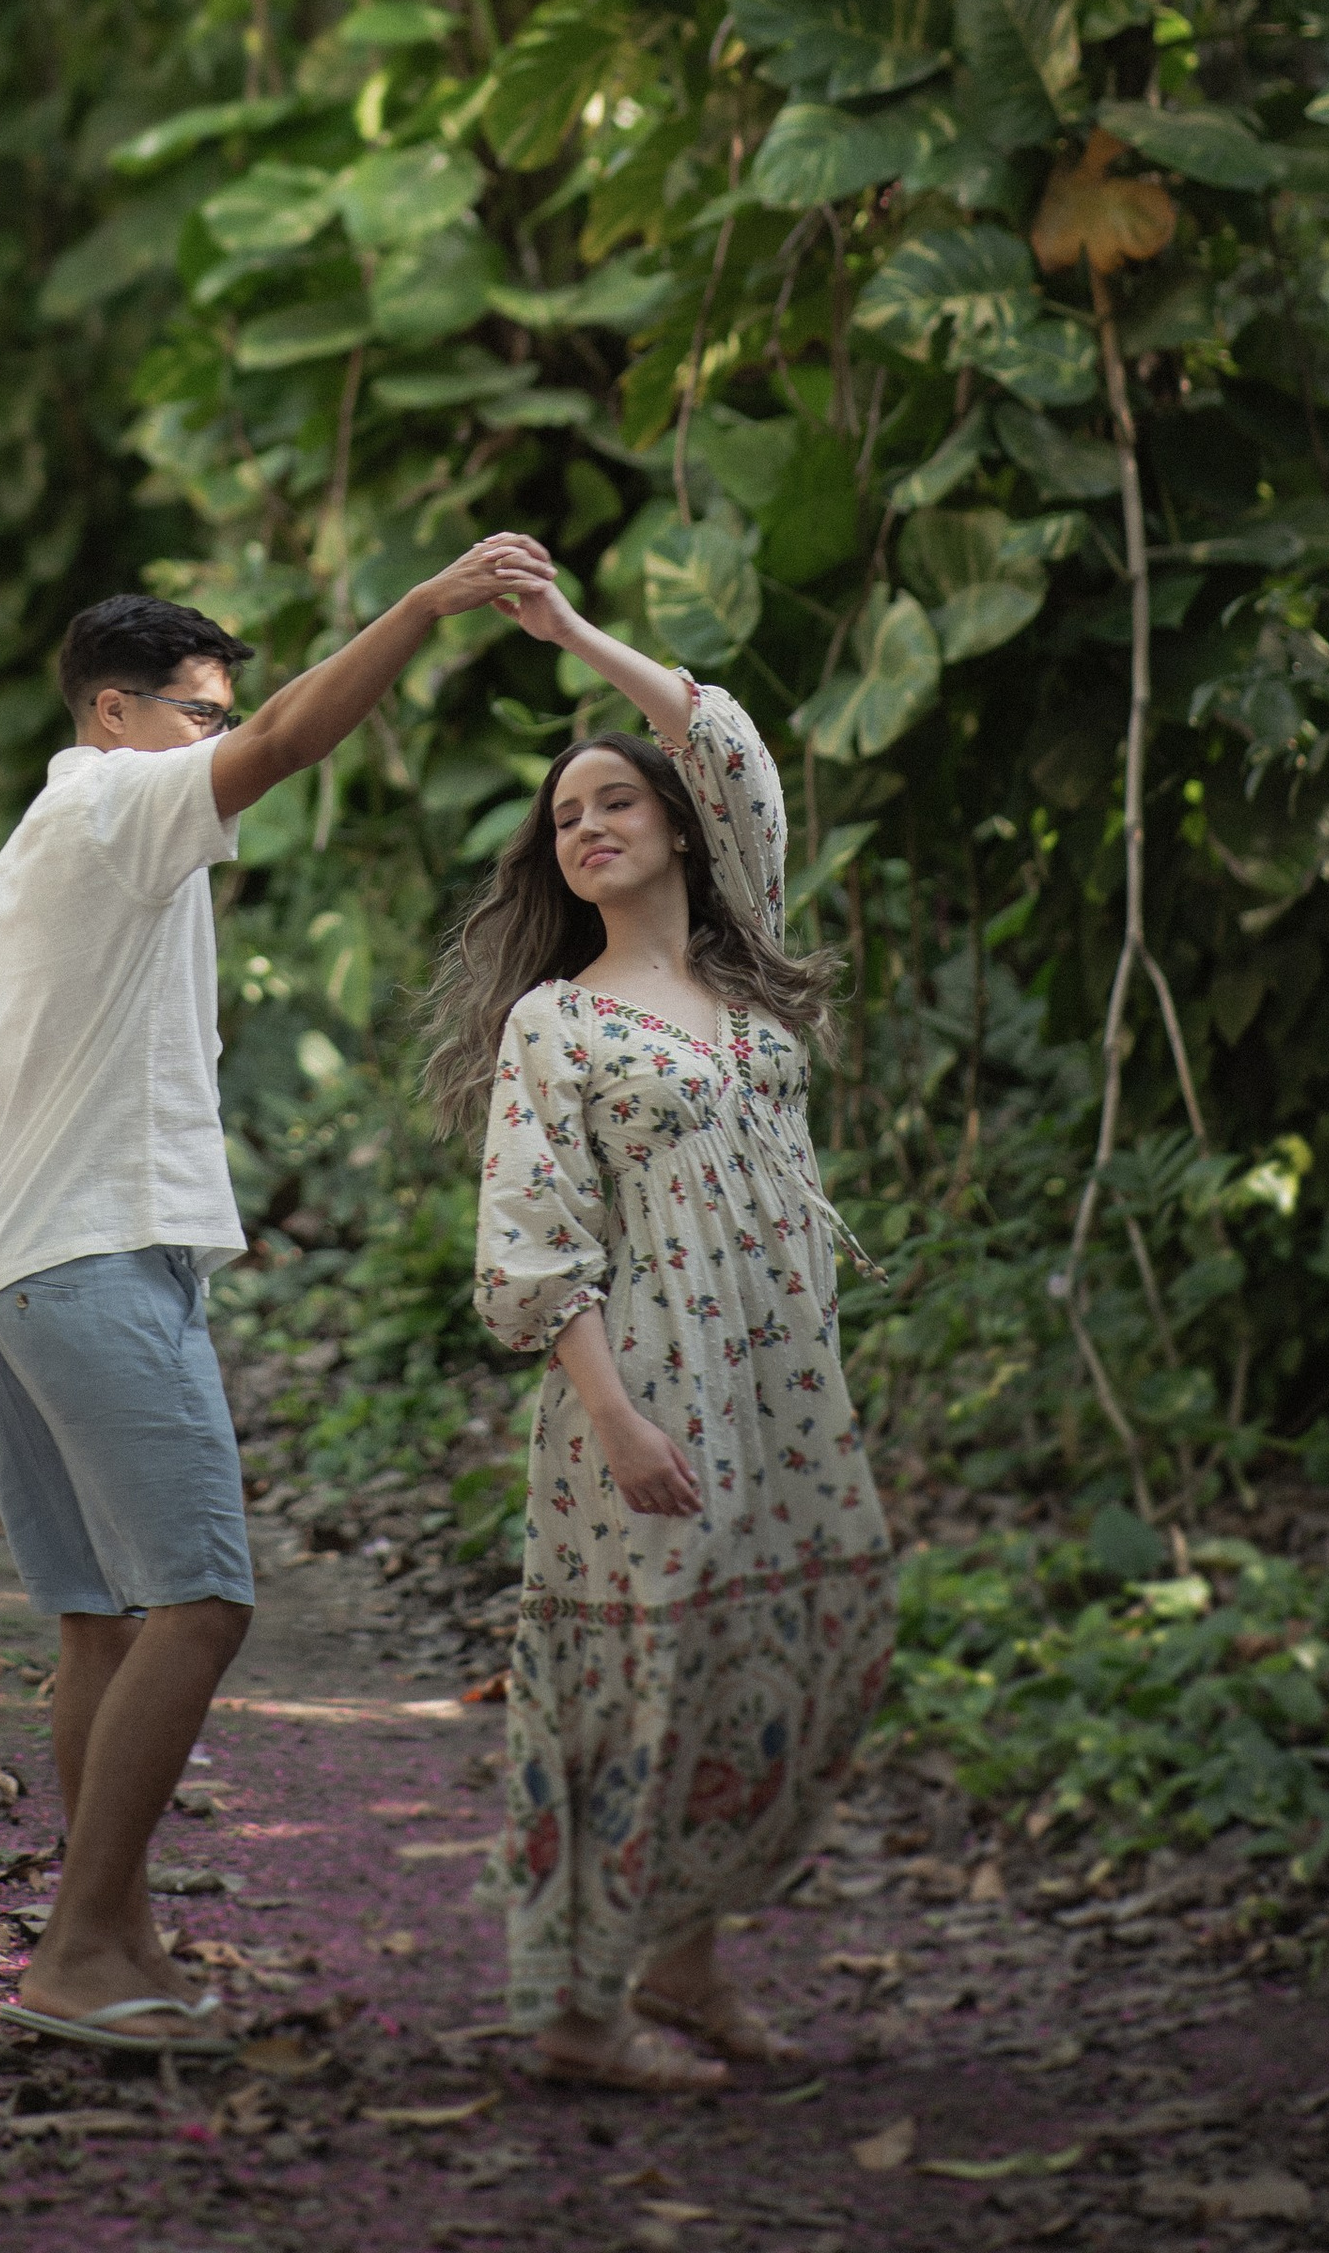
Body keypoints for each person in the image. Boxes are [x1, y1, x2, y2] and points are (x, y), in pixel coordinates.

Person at [0, 539, 557, 2061]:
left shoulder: (35, 848)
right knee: (204, 1601)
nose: (218, 741)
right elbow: (292, 744)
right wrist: (423, 607)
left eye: (217, 716)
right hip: (92, 1258)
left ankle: (111, 1937)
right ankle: (82, 1949)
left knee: (104, 1625)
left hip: (18, 1266)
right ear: (112, 712)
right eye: (196, 713)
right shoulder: (107, 805)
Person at [422, 571, 894, 2094]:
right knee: (641, 1678)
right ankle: (581, 2006)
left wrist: (571, 641)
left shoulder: (741, 972)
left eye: (616, 799)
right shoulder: (557, 1022)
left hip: (789, 1389)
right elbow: (531, 1240)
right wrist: (615, 1417)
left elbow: (734, 746)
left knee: (807, 1637)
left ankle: (687, 1958)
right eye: (567, 818)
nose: (589, 827)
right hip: (646, 1390)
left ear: (679, 827)